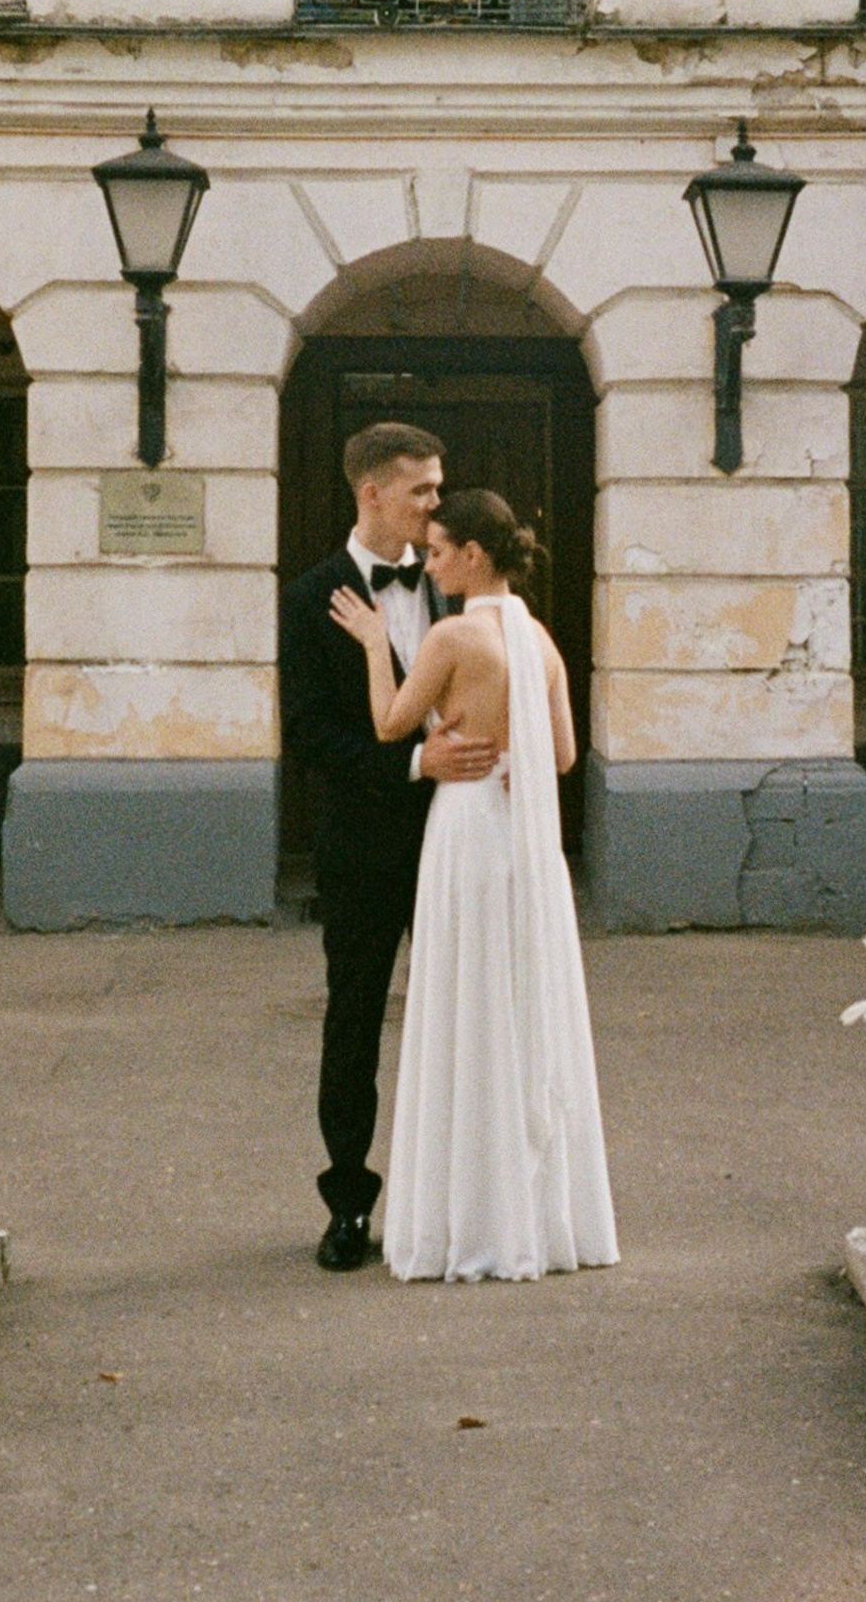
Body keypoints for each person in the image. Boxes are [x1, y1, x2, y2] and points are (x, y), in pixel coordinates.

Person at [330, 488, 617, 1282]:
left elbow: (390, 724)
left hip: (465, 829)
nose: (428, 564)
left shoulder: (453, 635)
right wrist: (511, 751)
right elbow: (563, 756)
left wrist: (374, 644)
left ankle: (466, 1214)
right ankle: (532, 1215)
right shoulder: (541, 641)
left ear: (473, 555)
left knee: (465, 1003)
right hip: (523, 838)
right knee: (518, 1003)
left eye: (437, 552)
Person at [278, 423, 498, 1272]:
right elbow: (309, 735)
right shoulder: (311, 597)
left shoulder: (453, 580)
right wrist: (413, 763)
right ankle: (348, 1205)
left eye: (440, 487)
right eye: (423, 490)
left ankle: (459, 1204)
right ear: (372, 493)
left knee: (463, 1019)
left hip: (456, 839)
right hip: (362, 849)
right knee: (355, 1023)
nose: (439, 504)